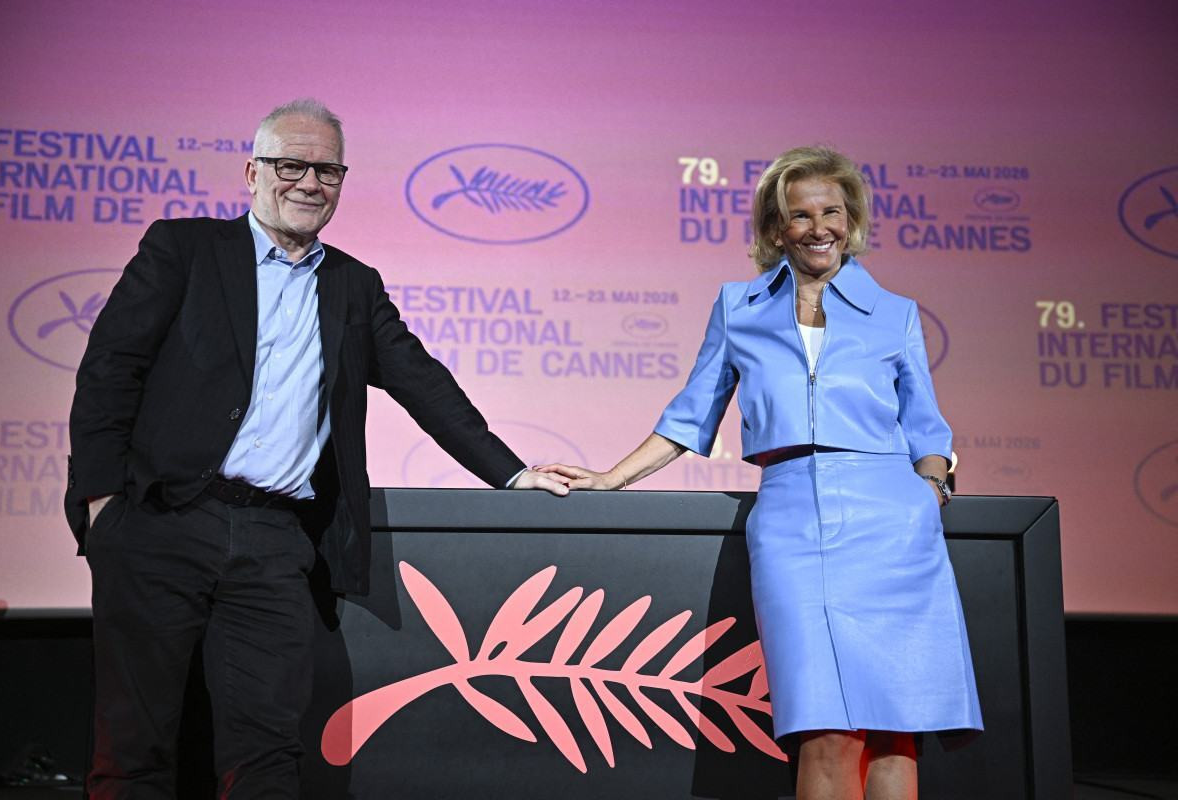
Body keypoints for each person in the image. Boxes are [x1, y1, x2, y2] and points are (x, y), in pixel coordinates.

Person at [65, 98, 569, 799]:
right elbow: (110, 369)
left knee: (268, 752)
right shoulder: (184, 249)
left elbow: (421, 381)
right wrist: (100, 502)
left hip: (275, 542)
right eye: (290, 164)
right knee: (135, 749)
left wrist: (512, 473)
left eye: (327, 170)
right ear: (252, 172)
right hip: (160, 524)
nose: (309, 182)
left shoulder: (353, 286)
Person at [539, 146, 982, 800]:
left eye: (832, 210)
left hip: (892, 524)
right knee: (825, 730)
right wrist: (610, 478)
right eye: (800, 215)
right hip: (792, 527)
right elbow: (693, 415)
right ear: (777, 229)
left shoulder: (896, 314)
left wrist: (932, 486)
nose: (819, 226)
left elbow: (926, 426)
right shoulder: (739, 308)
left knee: (895, 731)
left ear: (851, 218)